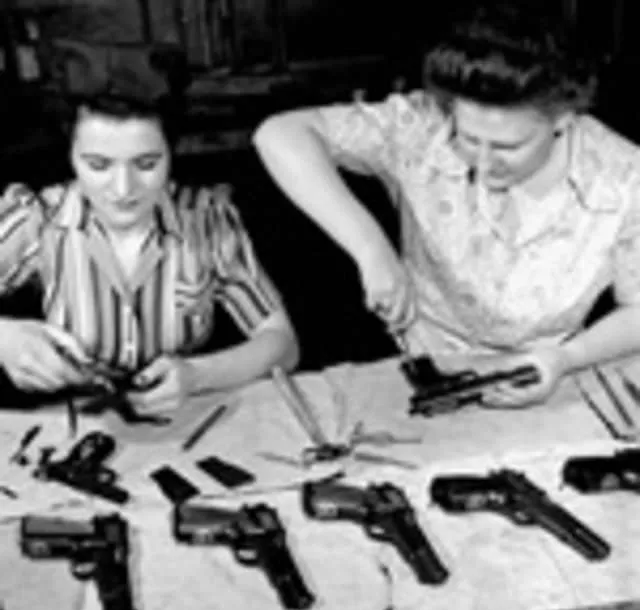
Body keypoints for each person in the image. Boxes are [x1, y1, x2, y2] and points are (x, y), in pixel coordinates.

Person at [253, 0, 640, 409]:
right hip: (425, 368)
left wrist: (563, 359)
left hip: (553, 378)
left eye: (508, 147)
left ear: (563, 119)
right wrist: (370, 247)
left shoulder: (625, 177)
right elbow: (278, 135)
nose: (483, 164)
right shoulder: (421, 127)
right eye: (468, 139)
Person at [0, 36, 298, 417]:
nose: (123, 190)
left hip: (186, 424)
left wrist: (196, 375)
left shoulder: (205, 221)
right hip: (76, 427)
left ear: (171, 154)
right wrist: (5, 339)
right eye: (98, 165)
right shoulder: (39, 219)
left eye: (146, 164)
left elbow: (282, 344)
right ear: (71, 157)